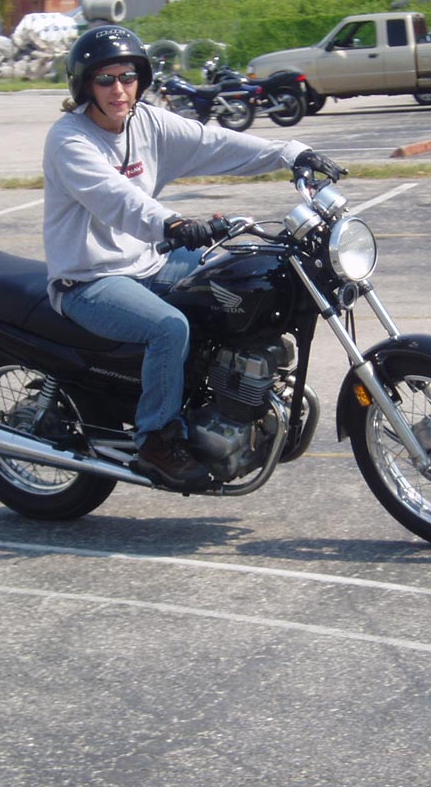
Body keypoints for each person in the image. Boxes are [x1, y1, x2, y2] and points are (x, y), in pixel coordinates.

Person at [43, 24, 344, 490]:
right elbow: (118, 199)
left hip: (149, 261)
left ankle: (227, 399)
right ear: (85, 85)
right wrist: (175, 225)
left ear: (141, 79)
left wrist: (292, 153)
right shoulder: (70, 140)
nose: (119, 89)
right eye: (105, 79)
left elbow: (214, 143)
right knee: (169, 327)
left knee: (242, 280)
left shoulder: (148, 122)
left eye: (127, 76)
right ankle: (156, 438)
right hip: (88, 279)